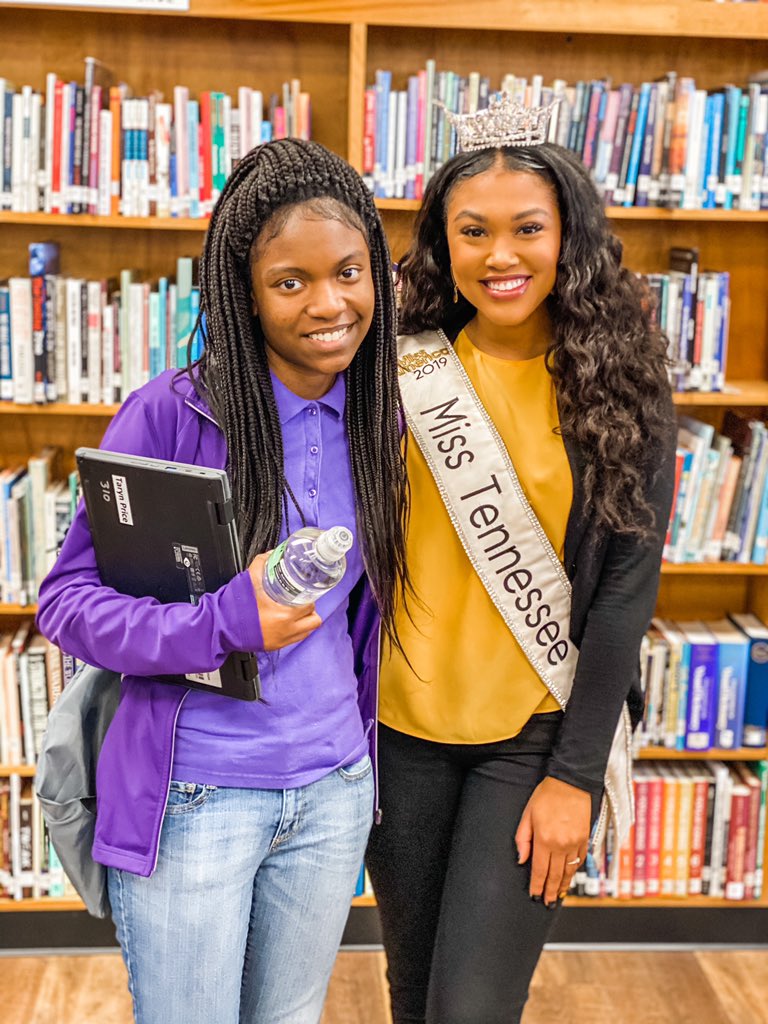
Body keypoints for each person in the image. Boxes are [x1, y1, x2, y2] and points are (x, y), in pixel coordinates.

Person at [36, 138, 409, 1024]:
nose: (330, 304)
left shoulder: (381, 416)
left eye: (350, 272)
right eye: (291, 282)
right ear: (244, 292)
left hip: (333, 791)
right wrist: (221, 621)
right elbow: (68, 601)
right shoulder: (170, 413)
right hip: (195, 796)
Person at [365, 103, 677, 1024]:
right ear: (443, 243)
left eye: (527, 229)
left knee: (473, 1008)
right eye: (474, 231)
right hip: (399, 735)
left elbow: (624, 593)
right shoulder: (392, 371)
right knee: (415, 994)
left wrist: (576, 778)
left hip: (532, 739)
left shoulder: (623, 386)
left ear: (567, 235)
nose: (501, 255)